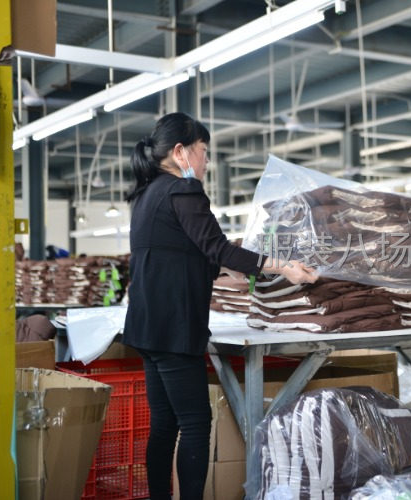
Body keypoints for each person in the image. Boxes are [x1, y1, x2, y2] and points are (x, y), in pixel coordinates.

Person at [122, 112, 317, 500]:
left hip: (146, 326)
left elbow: (193, 255)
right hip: (175, 328)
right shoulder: (183, 191)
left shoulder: (146, 196)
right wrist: (282, 267)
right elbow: (217, 248)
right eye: (204, 152)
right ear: (181, 152)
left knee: (164, 424)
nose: (207, 162)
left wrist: (235, 267)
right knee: (195, 423)